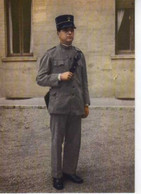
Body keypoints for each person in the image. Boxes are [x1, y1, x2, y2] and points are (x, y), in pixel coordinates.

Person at [36, 14, 90, 190]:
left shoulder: (79, 55)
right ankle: (57, 175)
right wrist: (59, 76)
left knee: (74, 141)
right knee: (56, 141)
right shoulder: (50, 55)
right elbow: (40, 78)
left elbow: (84, 81)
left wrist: (86, 103)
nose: (70, 33)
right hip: (58, 106)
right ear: (58, 32)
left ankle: (69, 171)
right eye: (66, 30)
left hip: (75, 105)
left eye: (71, 30)